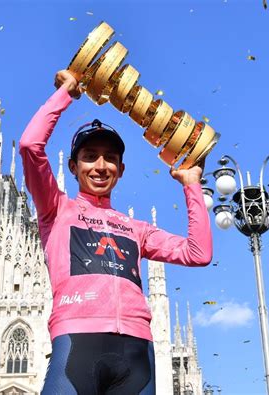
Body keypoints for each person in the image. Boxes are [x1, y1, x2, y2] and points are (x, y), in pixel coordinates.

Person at [19, 70, 213, 395]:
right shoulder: (57, 209)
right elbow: (29, 146)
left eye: (110, 158)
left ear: (120, 170)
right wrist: (66, 93)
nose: (100, 165)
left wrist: (192, 185)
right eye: (89, 157)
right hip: (78, 344)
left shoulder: (137, 229)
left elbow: (199, 253)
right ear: (73, 166)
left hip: (136, 353)